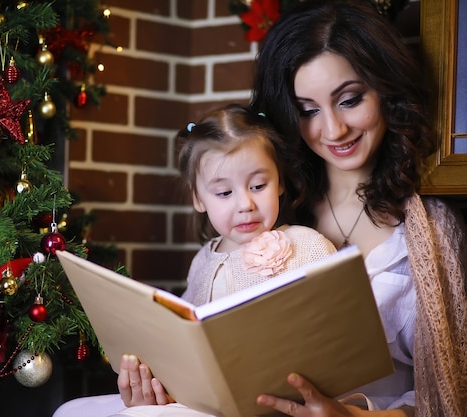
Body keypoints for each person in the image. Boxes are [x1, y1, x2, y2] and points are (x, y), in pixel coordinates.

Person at [55, 1, 467, 416]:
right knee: (76, 411)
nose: (332, 130)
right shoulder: (267, 208)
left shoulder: (429, 232)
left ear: (386, 91)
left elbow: (445, 392)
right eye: (308, 110)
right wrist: (164, 382)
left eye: (349, 100)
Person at [52, 103, 337, 417]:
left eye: (258, 186)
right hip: (205, 400)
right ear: (198, 198)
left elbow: (338, 330)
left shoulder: (307, 246)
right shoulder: (203, 260)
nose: (246, 204)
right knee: (71, 410)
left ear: (280, 183)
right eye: (224, 193)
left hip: (277, 403)